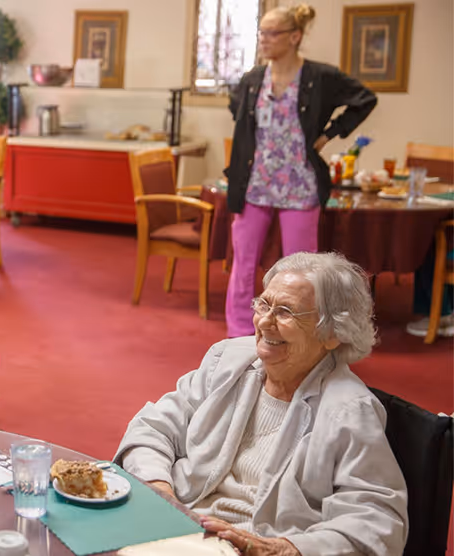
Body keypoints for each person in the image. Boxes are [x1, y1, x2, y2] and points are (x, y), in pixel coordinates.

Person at [115, 252, 407, 556]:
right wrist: (159, 490)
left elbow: (377, 521)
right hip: (179, 525)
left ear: (332, 333)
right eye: (264, 304)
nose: (265, 322)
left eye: (285, 312)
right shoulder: (227, 360)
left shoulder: (349, 410)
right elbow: (152, 428)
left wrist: (285, 548)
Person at [224, 4, 377, 338]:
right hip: (253, 184)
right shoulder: (252, 81)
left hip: (300, 185)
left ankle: (297, 333)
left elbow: (365, 99)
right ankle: (239, 336)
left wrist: (328, 134)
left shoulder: (319, 76)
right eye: (261, 32)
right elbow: (238, 112)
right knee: (244, 264)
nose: (263, 39)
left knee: (301, 269)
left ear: (294, 37)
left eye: (271, 33)